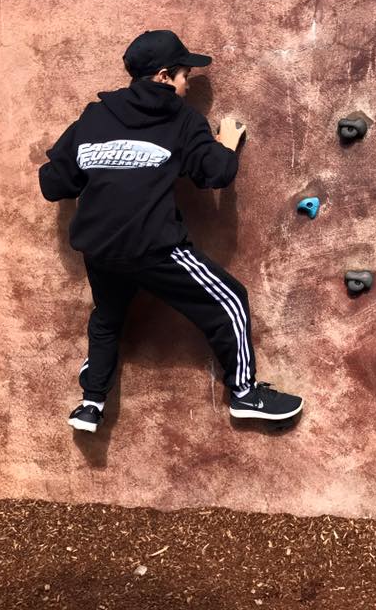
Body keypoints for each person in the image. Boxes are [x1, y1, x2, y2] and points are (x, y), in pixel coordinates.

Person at [38, 29, 304, 433]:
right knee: (231, 299)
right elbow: (214, 173)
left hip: (99, 247)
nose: (186, 85)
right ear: (163, 76)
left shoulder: (94, 116)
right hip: (152, 247)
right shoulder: (181, 119)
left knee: (108, 319)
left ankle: (91, 403)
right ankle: (246, 394)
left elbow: (54, 184)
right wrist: (227, 142)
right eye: (184, 76)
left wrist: (100, 162)